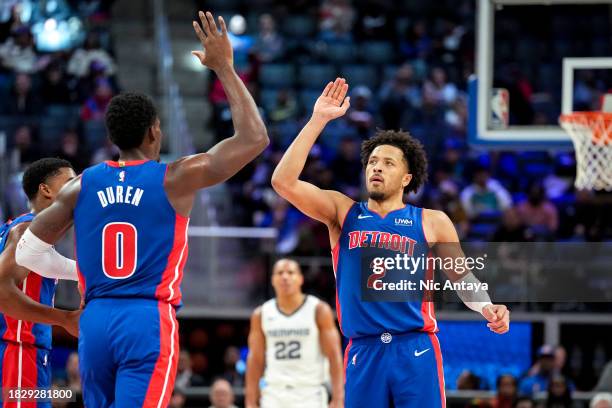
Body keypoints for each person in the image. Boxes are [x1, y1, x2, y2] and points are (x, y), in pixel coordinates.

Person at [15, 10, 268, 407]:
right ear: (155, 131)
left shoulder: (82, 185)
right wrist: (224, 68)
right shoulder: (176, 177)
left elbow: (28, 252)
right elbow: (254, 138)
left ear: (112, 137)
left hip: (95, 319)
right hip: (146, 318)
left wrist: (80, 272)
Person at [271, 78, 510, 407]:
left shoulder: (432, 221)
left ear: (407, 178)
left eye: (388, 163)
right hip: (363, 350)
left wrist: (487, 306)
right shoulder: (343, 212)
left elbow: (463, 279)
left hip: (415, 348)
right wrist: (318, 121)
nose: (376, 168)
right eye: (372, 162)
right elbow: (282, 182)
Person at [0, 158, 80, 408]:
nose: (77, 188)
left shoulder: (16, 228)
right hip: (20, 349)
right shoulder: (26, 231)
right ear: (45, 189)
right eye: (70, 182)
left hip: (21, 352)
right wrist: (65, 319)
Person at [245, 258, 344, 408]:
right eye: (280, 273)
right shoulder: (261, 314)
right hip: (274, 393)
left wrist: (338, 398)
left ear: (300, 279)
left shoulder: (318, 310)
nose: (285, 277)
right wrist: (250, 400)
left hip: (310, 394)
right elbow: (255, 360)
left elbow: (334, 356)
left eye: (291, 272)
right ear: (273, 280)